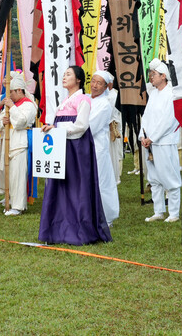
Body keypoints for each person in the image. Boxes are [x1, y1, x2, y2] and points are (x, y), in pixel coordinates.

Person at [38, 65, 112, 245]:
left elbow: (81, 126)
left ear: (78, 79)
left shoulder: (83, 100)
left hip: (76, 149)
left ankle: (79, 230)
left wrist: (58, 128)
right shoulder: (64, 102)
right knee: (60, 188)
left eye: (68, 74)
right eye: (64, 74)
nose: (64, 77)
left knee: (76, 188)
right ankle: (58, 228)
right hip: (62, 148)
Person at [140, 60, 181, 224]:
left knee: (169, 177)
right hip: (150, 142)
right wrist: (142, 136)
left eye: (153, 74)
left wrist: (153, 137)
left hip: (164, 142)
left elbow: (168, 120)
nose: (150, 77)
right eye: (150, 74)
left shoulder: (171, 94)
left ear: (163, 76)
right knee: (154, 178)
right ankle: (158, 211)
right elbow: (146, 117)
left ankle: (174, 212)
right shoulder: (154, 94)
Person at [0, 72, 38, 216]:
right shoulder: (11, 105)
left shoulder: (29, 105)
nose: (10, 96)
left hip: (21, 142)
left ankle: (18, 205)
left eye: (12, 92)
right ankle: (10, 200)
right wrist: (3, 122)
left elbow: (21, 122)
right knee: (10, 175)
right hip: (9, 142)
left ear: (20, 91)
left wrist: (12, 109)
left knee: (18, 175)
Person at [87, 71, 121, 227]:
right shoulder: (85, 99)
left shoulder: (104, 104)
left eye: (99, 83)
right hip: (83, 146)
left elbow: (90, 126)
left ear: (106, 86)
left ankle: (106, 216)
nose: (94, 85)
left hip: (97, 147)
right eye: (93, 81)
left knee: (101, 181)